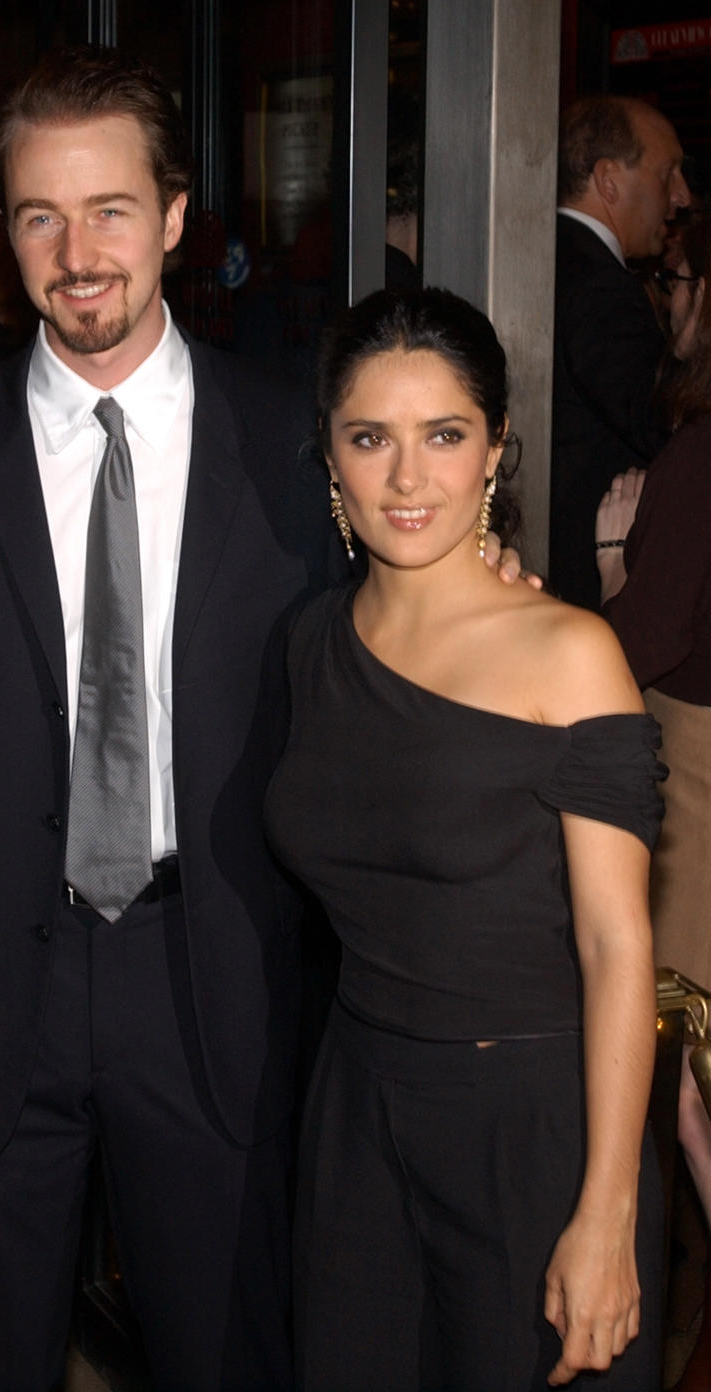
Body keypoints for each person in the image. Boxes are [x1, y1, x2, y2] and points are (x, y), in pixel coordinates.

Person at [0, 48, 528, 1392]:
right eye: (40, 215)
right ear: (3, 228)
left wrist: (499, 589)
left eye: (112, 210)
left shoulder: (296, 448)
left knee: (226, 1355)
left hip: (220, 989)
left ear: (178, 218)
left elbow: (414, 611)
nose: (79, 254)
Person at [265, 286, 666, 1391]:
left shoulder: (570, 653)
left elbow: (618, 949)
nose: (407, 478)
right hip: (353, 1109)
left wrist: (607, 1213)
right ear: (331, 457)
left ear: (495, 450)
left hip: (528, 1132)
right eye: (370, 438)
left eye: (444, 435)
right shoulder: (310, 645)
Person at [597, 215, 711, 1392]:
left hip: (702, 794)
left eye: (677, 278)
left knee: (676, 1091)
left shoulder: (697, 457)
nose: (662, 297)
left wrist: (614, 554)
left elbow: (647, 639)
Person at [550, 94, 689, 610]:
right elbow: (660, 421)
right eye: (667, 172)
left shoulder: (549, 255)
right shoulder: (599, 284)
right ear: (608, 180)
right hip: (585, 577)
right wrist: (696, 352)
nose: (681, 196)